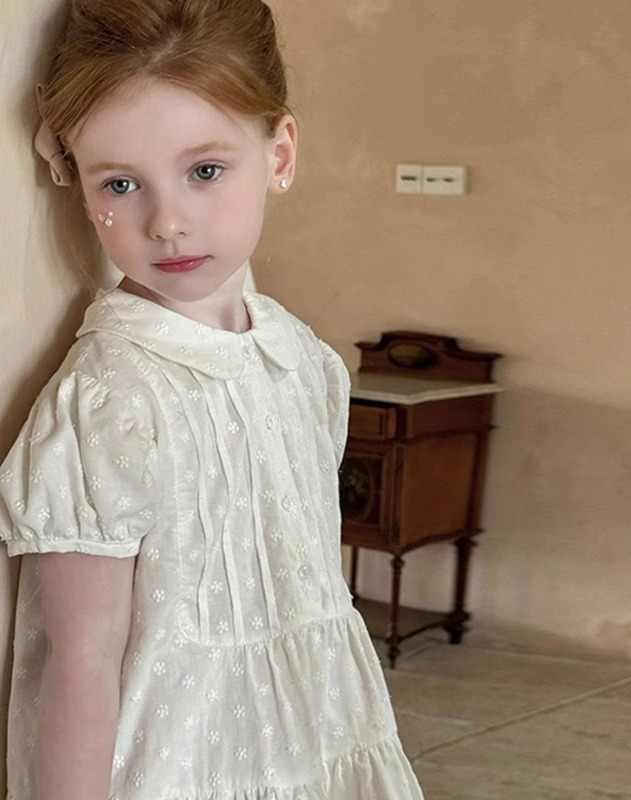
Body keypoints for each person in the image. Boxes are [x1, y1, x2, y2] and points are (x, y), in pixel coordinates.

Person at [0, 1, 426, 798]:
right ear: (75, 181)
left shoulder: (303, 362)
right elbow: (80, 662)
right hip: (177, 770)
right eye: (120, 183)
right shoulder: (112, 397)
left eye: (204, 171)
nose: (167, 222)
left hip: (319, 743)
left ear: (280, 154)